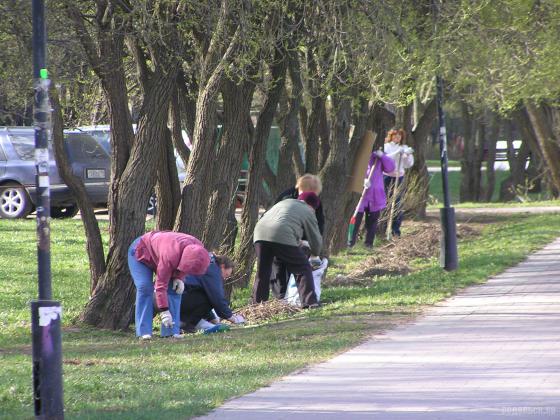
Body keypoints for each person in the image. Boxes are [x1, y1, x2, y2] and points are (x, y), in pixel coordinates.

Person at [128, 231, 210, 340]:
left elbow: (188, 265)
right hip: (141, 250)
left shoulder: (199, 249)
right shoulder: (170, 255)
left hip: (161, 252)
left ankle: (171, 331)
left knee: (175, 290)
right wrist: (164, 311)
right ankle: (143, 332)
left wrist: (179, 278)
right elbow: (160, 286)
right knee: (145, 288)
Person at [252, 192, 322, 308]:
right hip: (281, 234)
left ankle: (257, 304)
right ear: (312, 206)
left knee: (263, 272)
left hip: (260, 233)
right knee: (303, 268)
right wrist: (315, 253)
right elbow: (315, 238)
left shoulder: (284, 202)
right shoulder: (307, 210)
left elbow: (281, 220)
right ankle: (310, 302)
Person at [272, 174, 324, 299]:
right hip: (281, 236)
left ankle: (296, 297)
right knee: (279, 270)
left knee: (298, 268)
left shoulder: (314, 200)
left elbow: (318, 224)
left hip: (301, 240)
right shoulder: (286, 197)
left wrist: (312, 245)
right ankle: (281, 299)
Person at [180, 255, 245, 334]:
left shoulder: (209, 264)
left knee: (209, 295)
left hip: (183, 298)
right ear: (222, 266)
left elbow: (204, 297)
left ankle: (190, 323)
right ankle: (187, 323)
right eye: (226, 275)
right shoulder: (213, 270)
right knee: (213, 296)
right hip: (184, 299)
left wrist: (213, 319)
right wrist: (232, 318)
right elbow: (217, 299)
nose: (224, 278)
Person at [348, 148, 395, 248]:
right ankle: (350, 243)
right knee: (355, 219)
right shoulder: (357, 154)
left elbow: (390, 168)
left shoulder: (377, 158)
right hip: (360, 195)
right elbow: (351, 172)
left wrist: (382, 156)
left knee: (372, 221)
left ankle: (368, 244)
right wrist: (362, 181)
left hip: (375, 196)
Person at [383, 129, 414, 237]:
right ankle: (383, 227)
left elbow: (408, 164)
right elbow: (386, 159)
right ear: (391, 136)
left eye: (399, 136)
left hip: (399, 177)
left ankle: (395, 229)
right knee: (385, 201)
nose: (397, 138)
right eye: (395, 136)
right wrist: (397, 153)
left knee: (397, 202)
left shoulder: (404, 148)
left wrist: (407, 156)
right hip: (387, 176)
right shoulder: (386, 146)